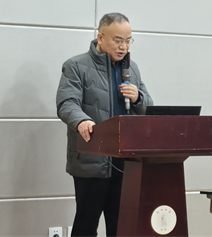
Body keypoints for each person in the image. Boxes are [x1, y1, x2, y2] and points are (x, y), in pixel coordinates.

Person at [56, 13, 153, 237]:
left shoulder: (132, 69)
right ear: (100, 37)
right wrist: (81, 120)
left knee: (122, 227)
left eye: (128, 40)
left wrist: (138, 98)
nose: (123, 46)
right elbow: (66, 103)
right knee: (86, 225)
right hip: (92, 159)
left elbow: (149, 109)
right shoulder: (76, 66)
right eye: (118, 40)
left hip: (126, 162)